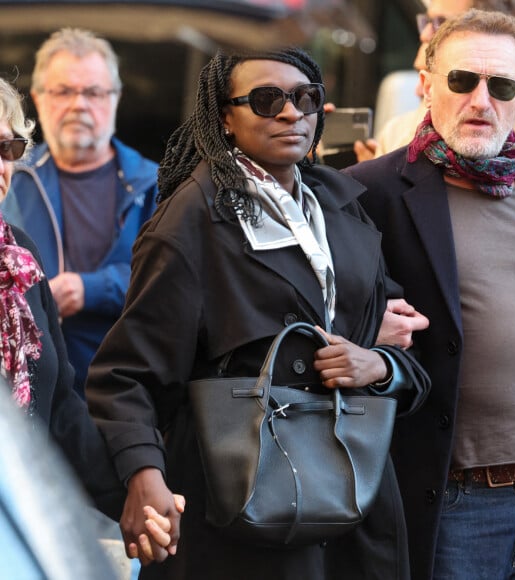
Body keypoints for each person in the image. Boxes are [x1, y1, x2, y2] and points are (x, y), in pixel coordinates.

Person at [86, 45, 430, 580]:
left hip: (353, 500)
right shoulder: (193, 218)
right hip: (242, 501)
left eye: (305, 98)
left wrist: (378, 366)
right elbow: (126, 375)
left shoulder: (340, 206)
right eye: (267, 101)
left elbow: (401, 349)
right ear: (225, 116)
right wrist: (142, 473)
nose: (291, 113)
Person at [346, 9, 515, 580]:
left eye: (500, 86)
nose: (481, 100)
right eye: (461, 80)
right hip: (451, 501)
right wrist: (365, 330)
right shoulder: (371, 189)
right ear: (426, 84)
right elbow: (326, 311)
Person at [0, 75, 182, 573]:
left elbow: (57, 408)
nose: (1, 165)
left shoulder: (19, 258)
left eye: (7, 147)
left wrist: (136, 492)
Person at [1, 27, 158, 395]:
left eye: (93, 92)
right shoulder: (12, 176)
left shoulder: (156, 184)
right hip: (37, 400)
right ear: (38, 99)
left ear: (115, 99)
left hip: (132, 393)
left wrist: (89, 289)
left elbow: (177, 283)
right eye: (63, 92)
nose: (78, 105)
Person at [354, 0, 515, 233]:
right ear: (428, 85)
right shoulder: (398, 136)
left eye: (442, 23)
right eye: (460, 80)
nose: (426, 34)